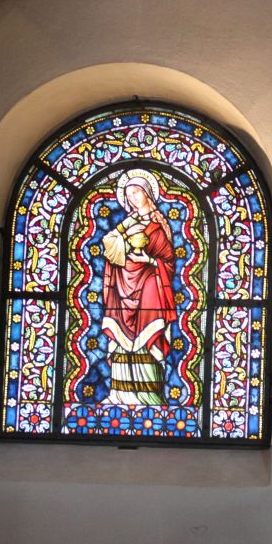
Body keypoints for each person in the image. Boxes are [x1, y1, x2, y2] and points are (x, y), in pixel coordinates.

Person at [100, 168, 178, 406]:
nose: (132, 197)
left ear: (147, 193)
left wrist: (150, 261)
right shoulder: (126, 224)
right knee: (122, 345)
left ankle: (149, 397)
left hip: (150, 291)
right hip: (121, 290)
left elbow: (168, 262)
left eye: (136, 192)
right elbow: (110, 247)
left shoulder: (157, 226)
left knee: (147, 339)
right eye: (128, 194)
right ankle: (120, 395)